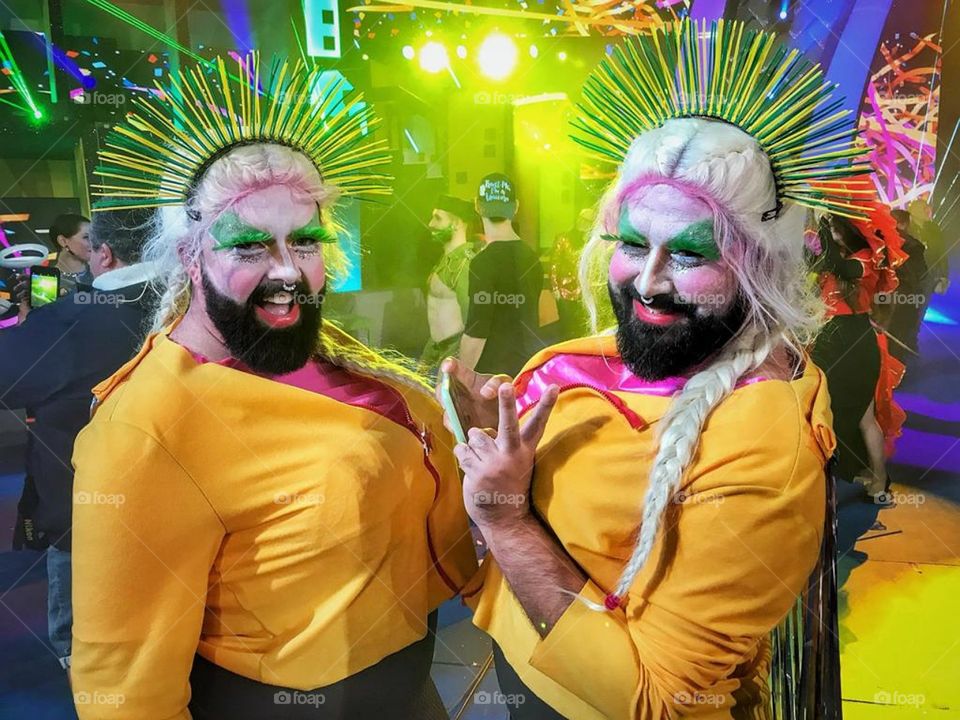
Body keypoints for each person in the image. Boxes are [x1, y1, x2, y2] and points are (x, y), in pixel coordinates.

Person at [440, 19, 868, 718]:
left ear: (761, 267)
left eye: (693, 253)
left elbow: (658, 701)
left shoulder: (765, 445)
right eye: (634, 243)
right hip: (523, 677)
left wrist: (507, 522)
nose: (649, 281)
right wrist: (509, 447)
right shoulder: (616, 355)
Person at [69, 53, 476, 720]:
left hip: (411, 689)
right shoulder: (143, 432)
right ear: (190, 255)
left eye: (305, 242)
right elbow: (124, 692)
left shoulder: (320, 352)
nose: (287, 272)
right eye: (250, 247)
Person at [0, 207, 157, 671]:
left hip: (83, 498)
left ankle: (79, 663)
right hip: (179, 496)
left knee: (81, 617)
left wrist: (28, 328)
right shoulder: (197, 309)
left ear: (104, 254)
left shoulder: (65, 322)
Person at [460, 173, 545, 376]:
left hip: (491, 378)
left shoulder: (483, 262)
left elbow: (476, 333)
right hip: (526, 372)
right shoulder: (532, 257)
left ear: (477, 205)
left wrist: (461, 379)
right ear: (515, 207)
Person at [420, 195, 477, 373]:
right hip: (438, 357)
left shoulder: (466, 265)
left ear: (457, 223)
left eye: (438, 218)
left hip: (454, 361)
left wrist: (459, 366)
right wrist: (427, 358)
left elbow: (473, 323)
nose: (430, 223)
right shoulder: (444, 261)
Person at [50, 213, 93, 294]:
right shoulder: (48, 281)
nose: (94, 242)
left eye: (94, 237)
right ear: (63, 241)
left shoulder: (101, 275)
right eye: (86, 237)